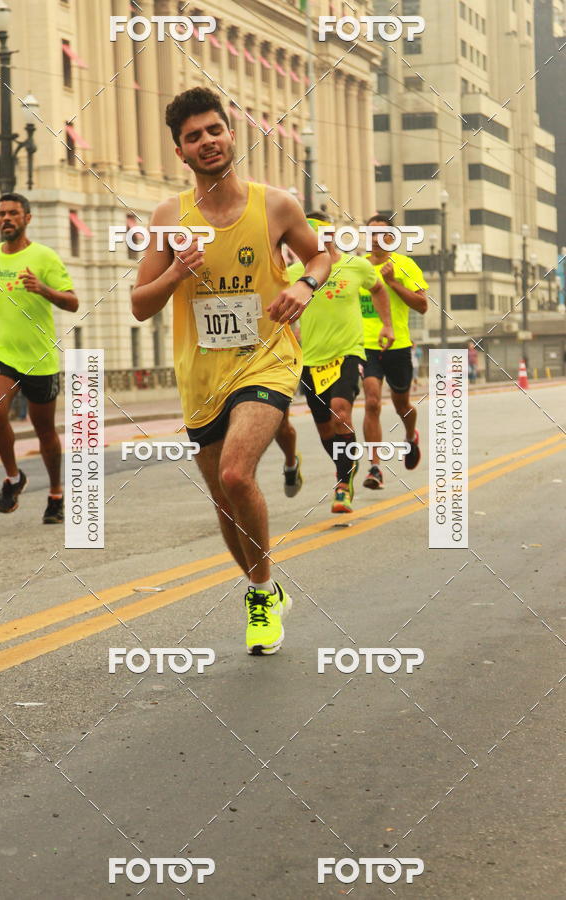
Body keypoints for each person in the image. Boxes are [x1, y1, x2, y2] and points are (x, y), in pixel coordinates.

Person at [131, 87, 331, 656]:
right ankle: (260, 581)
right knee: (224, 499)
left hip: (267, 356)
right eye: (194, 136)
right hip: (202, 375)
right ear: (181, 152)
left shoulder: (277, 205)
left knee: (237, 476)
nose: (207, 141)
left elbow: (320, 255)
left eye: (214, 129)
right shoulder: (170, 218)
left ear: (230, 133)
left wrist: (302, 284)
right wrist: (176, 273)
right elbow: (140, 303)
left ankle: (262, 595)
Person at [0, 193, 78, 522]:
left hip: (40, 358)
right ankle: (14, 477)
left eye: (13, 213)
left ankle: (56, 493)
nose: (6, 218)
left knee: (44, 430)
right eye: (1, 213)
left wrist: (43, 289)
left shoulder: (44, 257)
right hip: (1, 351)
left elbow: (72, 303)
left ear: (27, 218)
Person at [286, 213, 394, 513]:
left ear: (332, 235)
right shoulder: (295, 271)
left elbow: (378, 289)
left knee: (341, 413)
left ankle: (343, 484)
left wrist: (387, 325)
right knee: (325, 429)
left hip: (348, 353)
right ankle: (345, 465)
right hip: (311, 360)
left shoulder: (356, 266)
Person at [360, 214, 429, 489]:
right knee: (372, 401)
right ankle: (375, 467)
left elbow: (422, 306)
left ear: (393, 237)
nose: (376, 239)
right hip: (365, 345)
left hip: (398, 346)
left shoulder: (405, 265)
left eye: (381, 234)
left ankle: (411, 435)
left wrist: (393, 283)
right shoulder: (357, 267)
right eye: (371, 234)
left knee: (402, 404)